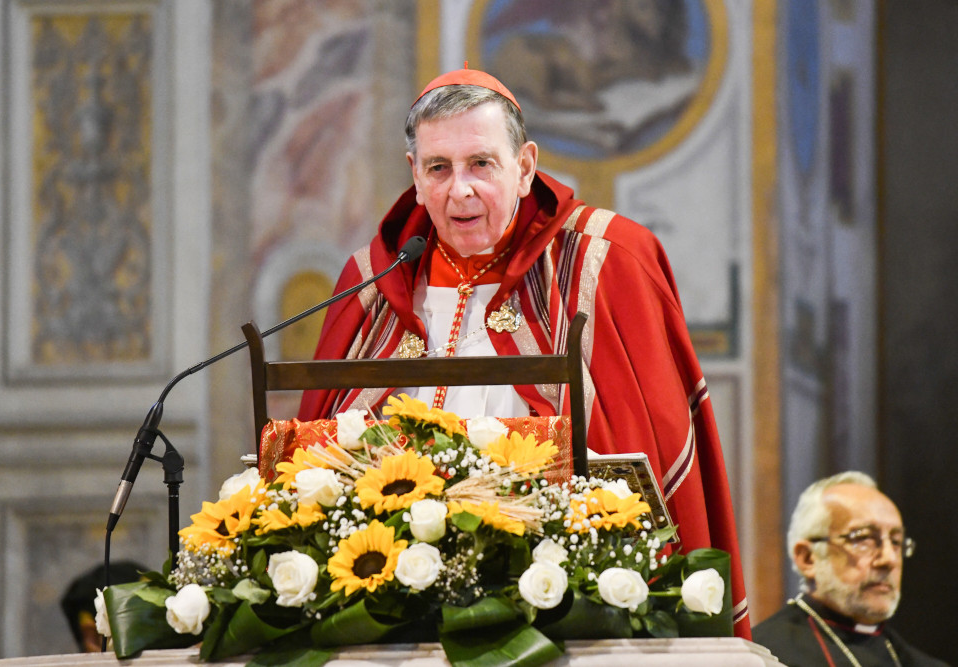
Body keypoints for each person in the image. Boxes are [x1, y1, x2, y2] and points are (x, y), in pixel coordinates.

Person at [297, 66, 748, 638]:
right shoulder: (372, 282)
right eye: (438, 168)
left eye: (481, 164)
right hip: (393, 613)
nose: (459, 189)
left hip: (568, 613)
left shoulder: (608, 260)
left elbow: (657, 449)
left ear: (525, 165)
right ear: (414, 175)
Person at [752, 471, 949, 666]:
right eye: (863, 539)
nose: (889, 559)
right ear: (808, 558)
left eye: (896, 542)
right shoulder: (761, 657)